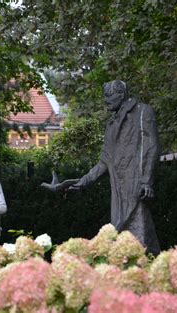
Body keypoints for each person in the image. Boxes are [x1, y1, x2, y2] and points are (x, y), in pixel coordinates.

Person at [66, 80, 161, 255]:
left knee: (140, 236)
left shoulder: (142, 112)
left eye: (109, 95)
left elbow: (151, 146)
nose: (106, 100)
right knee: (122, 239)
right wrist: (82, 181)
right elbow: (104, 162)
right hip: (118, 191)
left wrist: (146, 181)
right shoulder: (111, 125)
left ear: (122, 94)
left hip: (136, 187)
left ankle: (146, 273)